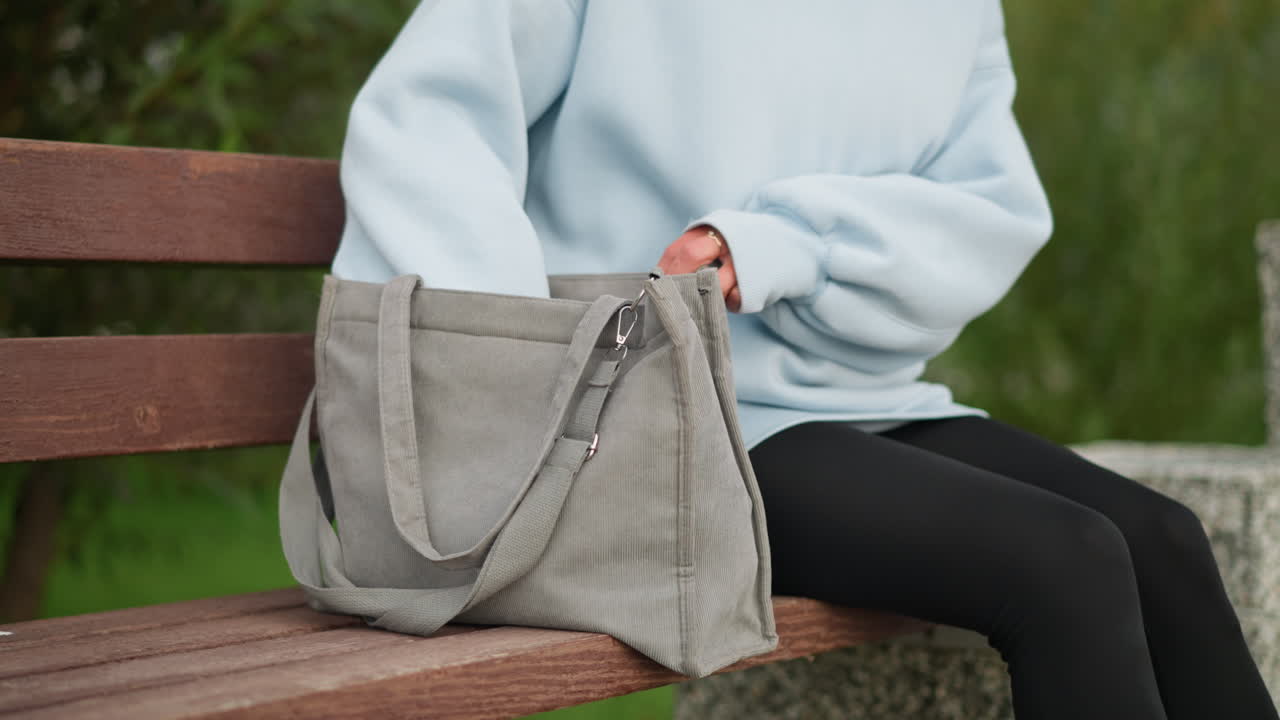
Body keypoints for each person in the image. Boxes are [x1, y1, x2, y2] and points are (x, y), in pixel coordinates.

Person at [329, 1, 1279, 717]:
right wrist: (525, 368)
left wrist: (790, 247)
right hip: (628, 410)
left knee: (1161, 542)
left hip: (850, 394)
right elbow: (427, 124)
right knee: (1064, 563)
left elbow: (988, 213)